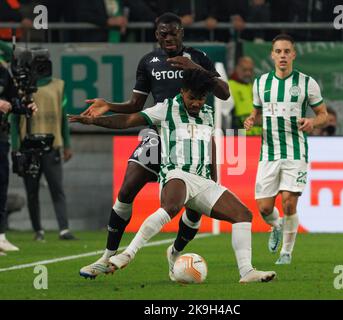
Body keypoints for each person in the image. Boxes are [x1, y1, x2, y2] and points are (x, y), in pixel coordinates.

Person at [70, 68, 276, 283]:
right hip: (176, 173)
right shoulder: (166, 108)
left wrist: (214, 178)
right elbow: (129, 120)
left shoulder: (207, 113)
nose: (196, 103)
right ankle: (128, 253)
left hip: (203, 180)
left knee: (243, 215)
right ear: (183, 91)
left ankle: (246, 272)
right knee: (171, 207)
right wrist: (95, 121)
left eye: (201, 98)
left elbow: (210, 143)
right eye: (192, 98)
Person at [78, 12, 229, 279]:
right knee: (126, 189)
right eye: (163, 33)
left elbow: (223, 92)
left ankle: (175, 251)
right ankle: (106, 257)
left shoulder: (199, 58)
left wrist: (195, 68)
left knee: (194, 211)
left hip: (191, 139)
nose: (168, 38)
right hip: (158, 135)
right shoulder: (148, 62)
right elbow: (136, 105)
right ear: (156, 35)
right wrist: (109, 105)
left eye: (173, 33)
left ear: (182, 33)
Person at [244, 34, 328, 264]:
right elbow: (258, 114)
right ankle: (277, 225)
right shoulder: (260, 83)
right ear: (272, 55)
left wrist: (312, 122)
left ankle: (286, 252)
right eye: (278, 51)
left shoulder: (306, 82)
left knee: (289, 202)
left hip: (295, 151)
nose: (282, 55)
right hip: (269, 152)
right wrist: (252, 120)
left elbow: (324, 115)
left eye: (287, 51)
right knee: (264, 208)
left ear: (293, 54)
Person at [11, 57, 76, 242]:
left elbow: (63, 116)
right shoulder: (22, 87)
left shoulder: (58, 85)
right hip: (28, 146)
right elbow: (15, 120)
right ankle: (38, 230)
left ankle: (64, 229)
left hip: (51, 144)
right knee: (32, 191)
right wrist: (15, 146)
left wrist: (67, 144)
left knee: (57, 188)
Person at [0, 60, 37, 254]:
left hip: (1, 136)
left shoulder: (4, 72)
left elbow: (12, 102)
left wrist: (26, 107)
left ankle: (0, 236)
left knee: (2, 185)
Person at [229, 56, 261, 135]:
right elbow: (226, 117)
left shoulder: (252, 86)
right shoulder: (229, 86)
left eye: (250, 70)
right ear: (237, 68)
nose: (248, 73)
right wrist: (256, 120)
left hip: (257, 137)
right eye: (245, 70)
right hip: (238, 137)